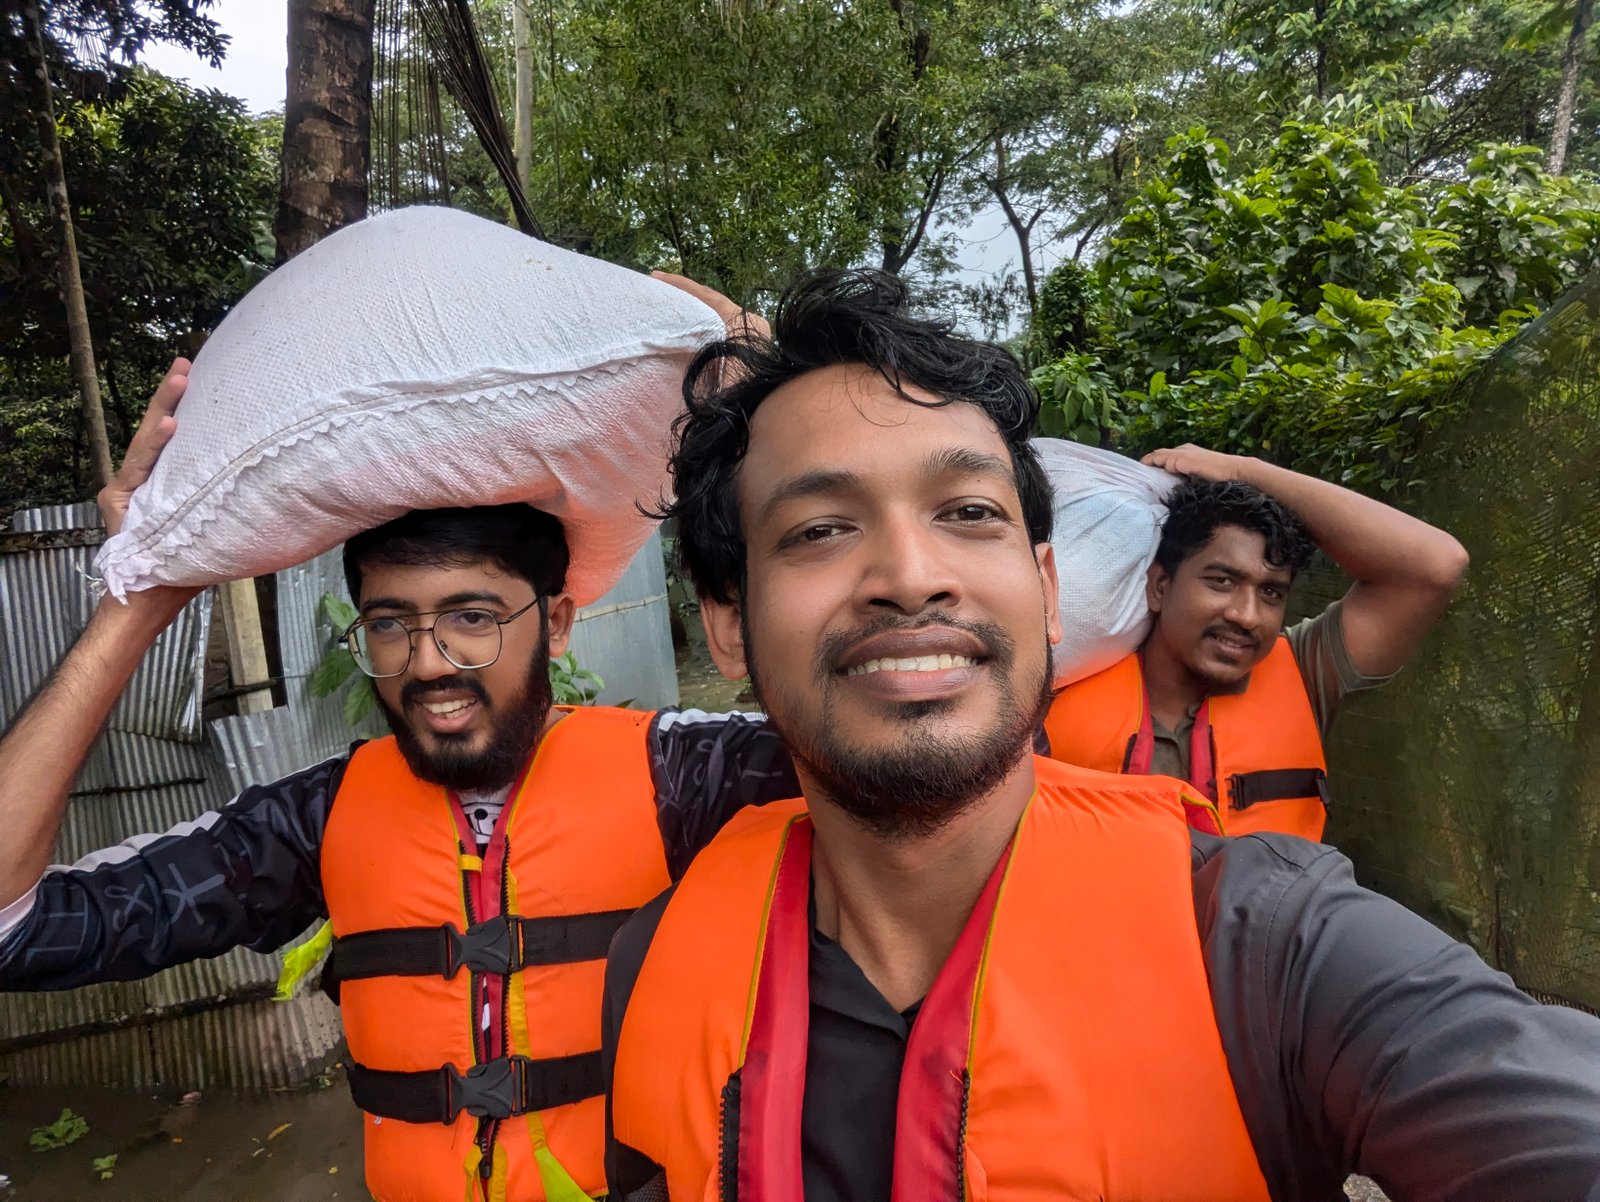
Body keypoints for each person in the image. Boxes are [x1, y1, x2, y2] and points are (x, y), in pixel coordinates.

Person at [599, 268, 1600, 1202]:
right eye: (819, 527)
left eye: (967, 511)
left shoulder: (1272, 951)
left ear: (1046, 590)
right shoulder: (654, 963)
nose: (910, 572)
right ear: (727, 620)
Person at [0, 354, 801, 1202]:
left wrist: (760, 389)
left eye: (473, 617)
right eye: (390, 625)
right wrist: (137, 600)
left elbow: (914, 771)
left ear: (556, 623)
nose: (428, 664)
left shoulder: (686, 771)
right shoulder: (313, 818)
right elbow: (15, 930)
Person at [1044, 452, 1468, 841]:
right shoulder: (1055, 683)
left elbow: (1435, 566)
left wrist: (1244, 471)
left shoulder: (1307, 672)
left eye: (1270, 593)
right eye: (1221, 582)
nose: (1246, 616)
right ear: (1160, 586)